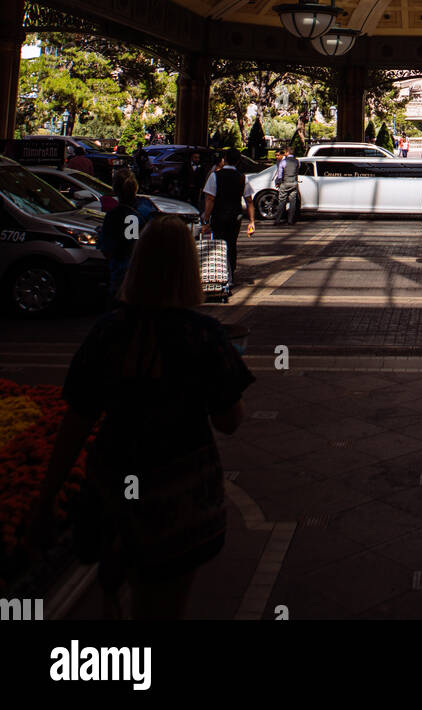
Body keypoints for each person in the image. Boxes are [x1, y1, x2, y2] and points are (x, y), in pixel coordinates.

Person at [32, 215, 255, 620]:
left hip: (116, 485)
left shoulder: (109, 332)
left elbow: (76, 422)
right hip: (182, 493)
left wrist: (48, 496)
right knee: (167, 604)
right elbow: (229, 420)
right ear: (190, 268)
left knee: (123, 590)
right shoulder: (203, 335)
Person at [96, 171, 158, 298]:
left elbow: (106, 249)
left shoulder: (114, 215)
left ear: (115, 189)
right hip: (147, 272)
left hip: (122, 275)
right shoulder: (147, 207)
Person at [201, 147, 255, 285]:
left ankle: (221, 274)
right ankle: (231, 273)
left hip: (218, 216)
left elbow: (209, 199)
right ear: (238, 161)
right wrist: (251, 221)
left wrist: (206, 220)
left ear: (224, 160)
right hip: (235, 217)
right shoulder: (243, 178)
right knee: (231, 244)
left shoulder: (215, 176)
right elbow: (249, 201)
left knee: (218, 243)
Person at [273, 145, 300, 225]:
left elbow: (280, 175)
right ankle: (290, 220)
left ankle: (278, 220)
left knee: (282, 201)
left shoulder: (283, 162)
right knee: (293, 202)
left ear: (287, 152)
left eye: (285, 152)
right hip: (294, 183)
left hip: (285, 183)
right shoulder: (297, 161)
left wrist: (278, 182)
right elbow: (297, 171)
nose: (284, 154)